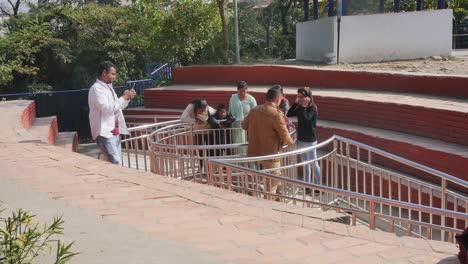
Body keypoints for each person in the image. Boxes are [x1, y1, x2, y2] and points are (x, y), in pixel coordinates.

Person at [242, 86, 294, 197]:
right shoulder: (276, 115)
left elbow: (243, 125)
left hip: (255, 154)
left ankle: (278, 200)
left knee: (275, 179)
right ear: (277, 99)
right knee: (273, 182)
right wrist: (292, 143)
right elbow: (285, 136)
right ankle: (269, 203)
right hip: (271, 155)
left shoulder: (254, 110)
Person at [88, 61, 136, 165]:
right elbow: (107, 108)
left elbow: (117, 108)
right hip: (105, 133)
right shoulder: (96, 89)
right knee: (115, 163)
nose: (115, 76)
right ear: (104, 73)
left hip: (114, 132)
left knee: (115, 163)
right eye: (113, 74)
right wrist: (123, 98)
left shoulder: (108, 88)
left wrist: (126, 99)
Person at [287, 87, 321, 184]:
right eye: (298, 96)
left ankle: (318, 186)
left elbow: (306, 119)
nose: (300, 99)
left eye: (301, 97)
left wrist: (304, 106)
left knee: (313, 163)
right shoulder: (300, 107)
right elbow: (289, 114)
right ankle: (307, 185)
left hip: (310, 140)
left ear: (308, 97)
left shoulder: (312, 108)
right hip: (301, 139)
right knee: (305, 164)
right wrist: (295, 103)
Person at [180, 99, 216, 174]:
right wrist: (195, 120)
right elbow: (183, 118)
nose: (202, 112)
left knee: (210, 151)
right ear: (196, 108)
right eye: (200, 110)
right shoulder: (191, 107)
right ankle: (200, 168)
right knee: (200, 151)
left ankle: (210, 168)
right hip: (198, 132)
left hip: (208, 131)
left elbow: (216, 114)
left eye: (203, 110)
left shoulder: (209, 109)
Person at [229, 81, 257, 153]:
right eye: (240, 91)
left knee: (248, 144)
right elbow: (230, 112)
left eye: (244, 91)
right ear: (237, 90)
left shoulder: (251, 100)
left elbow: (255, 113)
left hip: (249, 127)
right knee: (237, 145)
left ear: (247, 90)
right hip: (236, 126)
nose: (242, 93)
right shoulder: (233, 98)